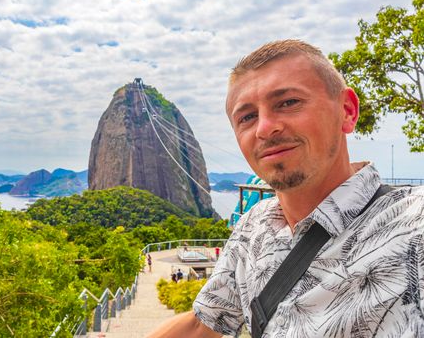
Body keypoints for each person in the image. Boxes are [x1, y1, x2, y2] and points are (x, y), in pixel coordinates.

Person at [147, 39, 424, 337]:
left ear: (347, 111)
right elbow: (204, 323)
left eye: (288, 102)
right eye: (247, 117)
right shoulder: (254, 225)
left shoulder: (411, 228)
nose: (265, 128)